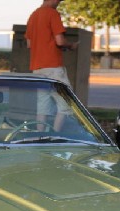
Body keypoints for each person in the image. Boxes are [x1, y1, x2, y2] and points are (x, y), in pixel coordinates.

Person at [25, 0, 78, 131]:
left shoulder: (33, 15)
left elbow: (29, 44)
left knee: (42, 107)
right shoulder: (52, 13)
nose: (59, 3)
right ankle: (55, 135)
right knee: (66, 103)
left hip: (37, 68)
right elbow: (60, 41)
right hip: (53, 67)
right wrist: (71, 45)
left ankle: (40, 136)